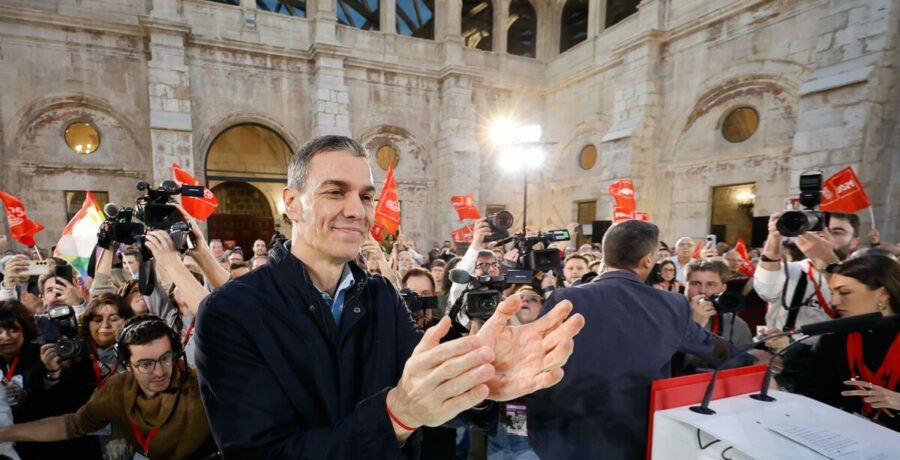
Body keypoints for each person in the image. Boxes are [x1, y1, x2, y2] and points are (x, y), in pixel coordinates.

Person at [194, 135, 584, 458]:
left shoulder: (379, 294)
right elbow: (260, 454)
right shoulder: (232, 311)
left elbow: (421, 393)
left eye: (366, 197)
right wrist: (394, 416)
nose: (356, 210)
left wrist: (479, 379)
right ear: (293, 203)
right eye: (335, 192)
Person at [526, 220, 754, 459]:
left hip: (562, 438)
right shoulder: (671, 305)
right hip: (632, 438)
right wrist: (754, 360)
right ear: (647, 259)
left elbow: (535, 356)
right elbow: (716, 350)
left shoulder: (564, 298)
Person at [0, 315, 217, 459]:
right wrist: (5, 433)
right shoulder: (117, 389)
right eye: (145, 364)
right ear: (127, 364)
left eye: (166, 358)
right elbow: (71, 425)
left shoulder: (201, 385)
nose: (160, 371)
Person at [796, 254, 900, 431]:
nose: (834, 301)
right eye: (832, 293)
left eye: (844, 292)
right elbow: (814, 396)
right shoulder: (835, 338)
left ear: (883, 294)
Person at [40, 293, 135, 459]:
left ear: (126, 320)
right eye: (97, 320)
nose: (105, 325)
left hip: (129, 437)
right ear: (88, 323)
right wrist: (52, 371)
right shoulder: (72, 353)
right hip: (82, 442)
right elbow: (51, 405)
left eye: (113, 318)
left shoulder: (136, 352)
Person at [754, 212, 860, 332]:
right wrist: (774, 238)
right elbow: (766, 290)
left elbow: (859, 305)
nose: (825, 236)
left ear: (854, 242)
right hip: (789, 348)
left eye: (837, 232)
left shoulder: (866, 273)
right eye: (818, 229)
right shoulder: (794, 270)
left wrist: (825, 259)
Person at [487, 286, 543, 460]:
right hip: (500, 430)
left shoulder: (554, 339)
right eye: (520, 298)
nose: (525, 301)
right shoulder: (496, 337)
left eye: (533, 299)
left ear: (544, 307)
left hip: (537, 433)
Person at [0, 300, 44, 459]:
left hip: (35, 443)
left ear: (25, 330)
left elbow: (54, 402)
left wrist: (27, 396)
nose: (6, 337)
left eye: (13, 330)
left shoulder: (41, 357)